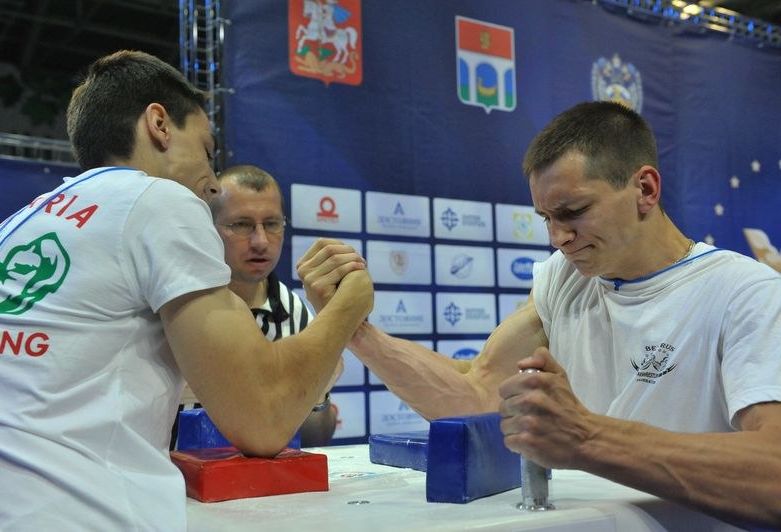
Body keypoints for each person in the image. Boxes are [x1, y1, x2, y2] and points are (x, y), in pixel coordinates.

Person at [297, 101, 781, 527]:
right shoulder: (562, 278)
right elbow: (477, 395)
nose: (558, 237)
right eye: (546, 218)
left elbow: (774, 471)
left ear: (646, 189)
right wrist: (354, 329)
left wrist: (587, 437)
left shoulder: (747, 294)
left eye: (573, 211)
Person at [0, 50, 372, 531]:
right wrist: (348, 306)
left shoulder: (26, 218)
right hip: (77, 512)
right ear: (159, 125)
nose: (210, 183)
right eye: (206, 151)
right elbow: (263, 420)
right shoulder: (158, 198)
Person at [173, 165, 339, 448]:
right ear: (207, 228)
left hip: (266, 488)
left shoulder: (296, 313)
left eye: (272, 224)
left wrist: (317, 396)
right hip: (179, 487)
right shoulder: (176, 303)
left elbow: (316, 436)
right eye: (242, 225)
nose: (261, 241)